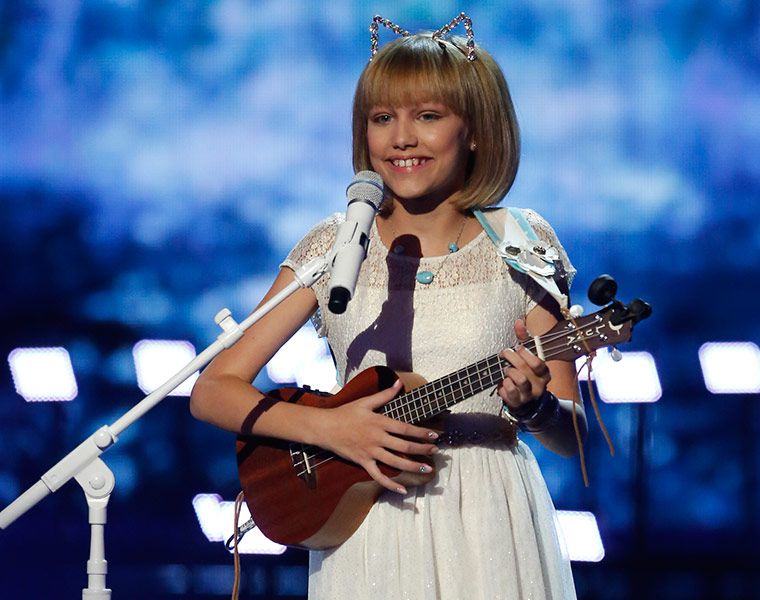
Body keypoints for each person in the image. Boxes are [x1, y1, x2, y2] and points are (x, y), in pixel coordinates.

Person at [191, 15, 587, 600]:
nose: (401, 138)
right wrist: (331, 428)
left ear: (475, 130)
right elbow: (214, 389)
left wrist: (536, 410)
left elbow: (574, 436)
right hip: (366, 519)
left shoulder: (524, 240)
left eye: (427, 116)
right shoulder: (336, 244)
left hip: (488, 519)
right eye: (383, 119)